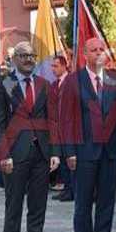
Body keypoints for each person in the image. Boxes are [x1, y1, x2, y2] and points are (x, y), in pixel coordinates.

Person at [0, 41, 61, 232]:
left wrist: (55, 152)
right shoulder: (4, 84)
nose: (29, 59)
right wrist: (4, 154)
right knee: (14, 208)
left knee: (38, 207)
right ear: (14, 59)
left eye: (32, 55)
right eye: (24, 55)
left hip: (40, 154)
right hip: (15, 156)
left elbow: (52, 120)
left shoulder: (43, 84)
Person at [61, 38, 116, 232]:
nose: (99, 53)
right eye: (94, 50)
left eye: (102, 49)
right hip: (83, 152)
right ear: (85, 55)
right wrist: (69, 151)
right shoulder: (73, 81)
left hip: (109, 152)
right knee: (83, 202)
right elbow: (67, 119)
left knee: (106, 201)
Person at [50, 54, 74, 202]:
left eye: (56, 66)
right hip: (58, 127)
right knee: (62, 159)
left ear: (64, 66)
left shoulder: (71, 82)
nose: (53, 69)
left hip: (70, 127)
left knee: (70, 159)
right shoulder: (54, 84)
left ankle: (72, 190)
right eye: (52, 66)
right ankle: (66, 188)